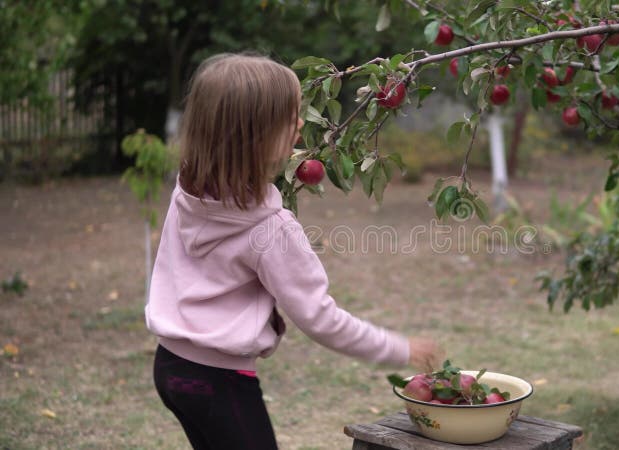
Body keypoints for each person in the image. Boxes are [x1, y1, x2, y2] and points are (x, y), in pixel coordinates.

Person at [145, 53, 442, 450]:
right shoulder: (271, 229)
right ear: (253, 136)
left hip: (169, 367)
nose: (301, 124)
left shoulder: (189, 191)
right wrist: (399, 348)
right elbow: (321, 318)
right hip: (220, 380)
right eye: (290, 119)